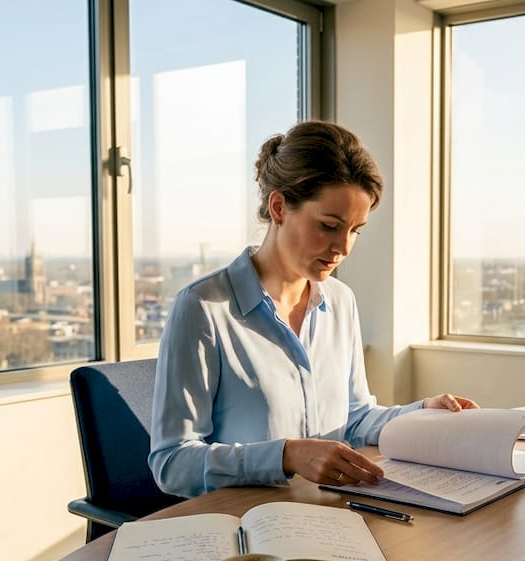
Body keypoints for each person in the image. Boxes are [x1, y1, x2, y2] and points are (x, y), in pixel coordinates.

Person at [149, 120, 477, 499]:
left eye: (355, 230)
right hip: (247, 527)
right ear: (278, 207)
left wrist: (422, 414)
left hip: (327, 513)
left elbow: (353, 419)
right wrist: (286, 455)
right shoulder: (204, 307)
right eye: (329, 225)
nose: (343, 247)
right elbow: (171, 463)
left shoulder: (340, 301)